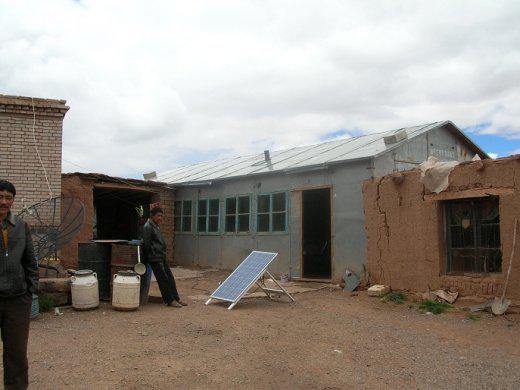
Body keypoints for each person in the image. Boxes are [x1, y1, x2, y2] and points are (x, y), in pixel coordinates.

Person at [0, 180, 38, 390]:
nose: (4, 201)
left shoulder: (21, 226)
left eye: (8, 197)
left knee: (16, 355)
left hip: (17, 300)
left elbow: (31, 262)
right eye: (0, 196)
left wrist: (31, 291)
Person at [142, 207, 186, 308]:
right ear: (152, 216)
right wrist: (148, 258)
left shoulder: (155, 225)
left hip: (161, 256)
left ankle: (176, 298)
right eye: (158, 215)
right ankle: (169, 300)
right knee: (163, 280)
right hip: (154, 257)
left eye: (161, 216)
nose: (160, 218)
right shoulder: (147, 227)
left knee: (170, 278)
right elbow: (146, 245)